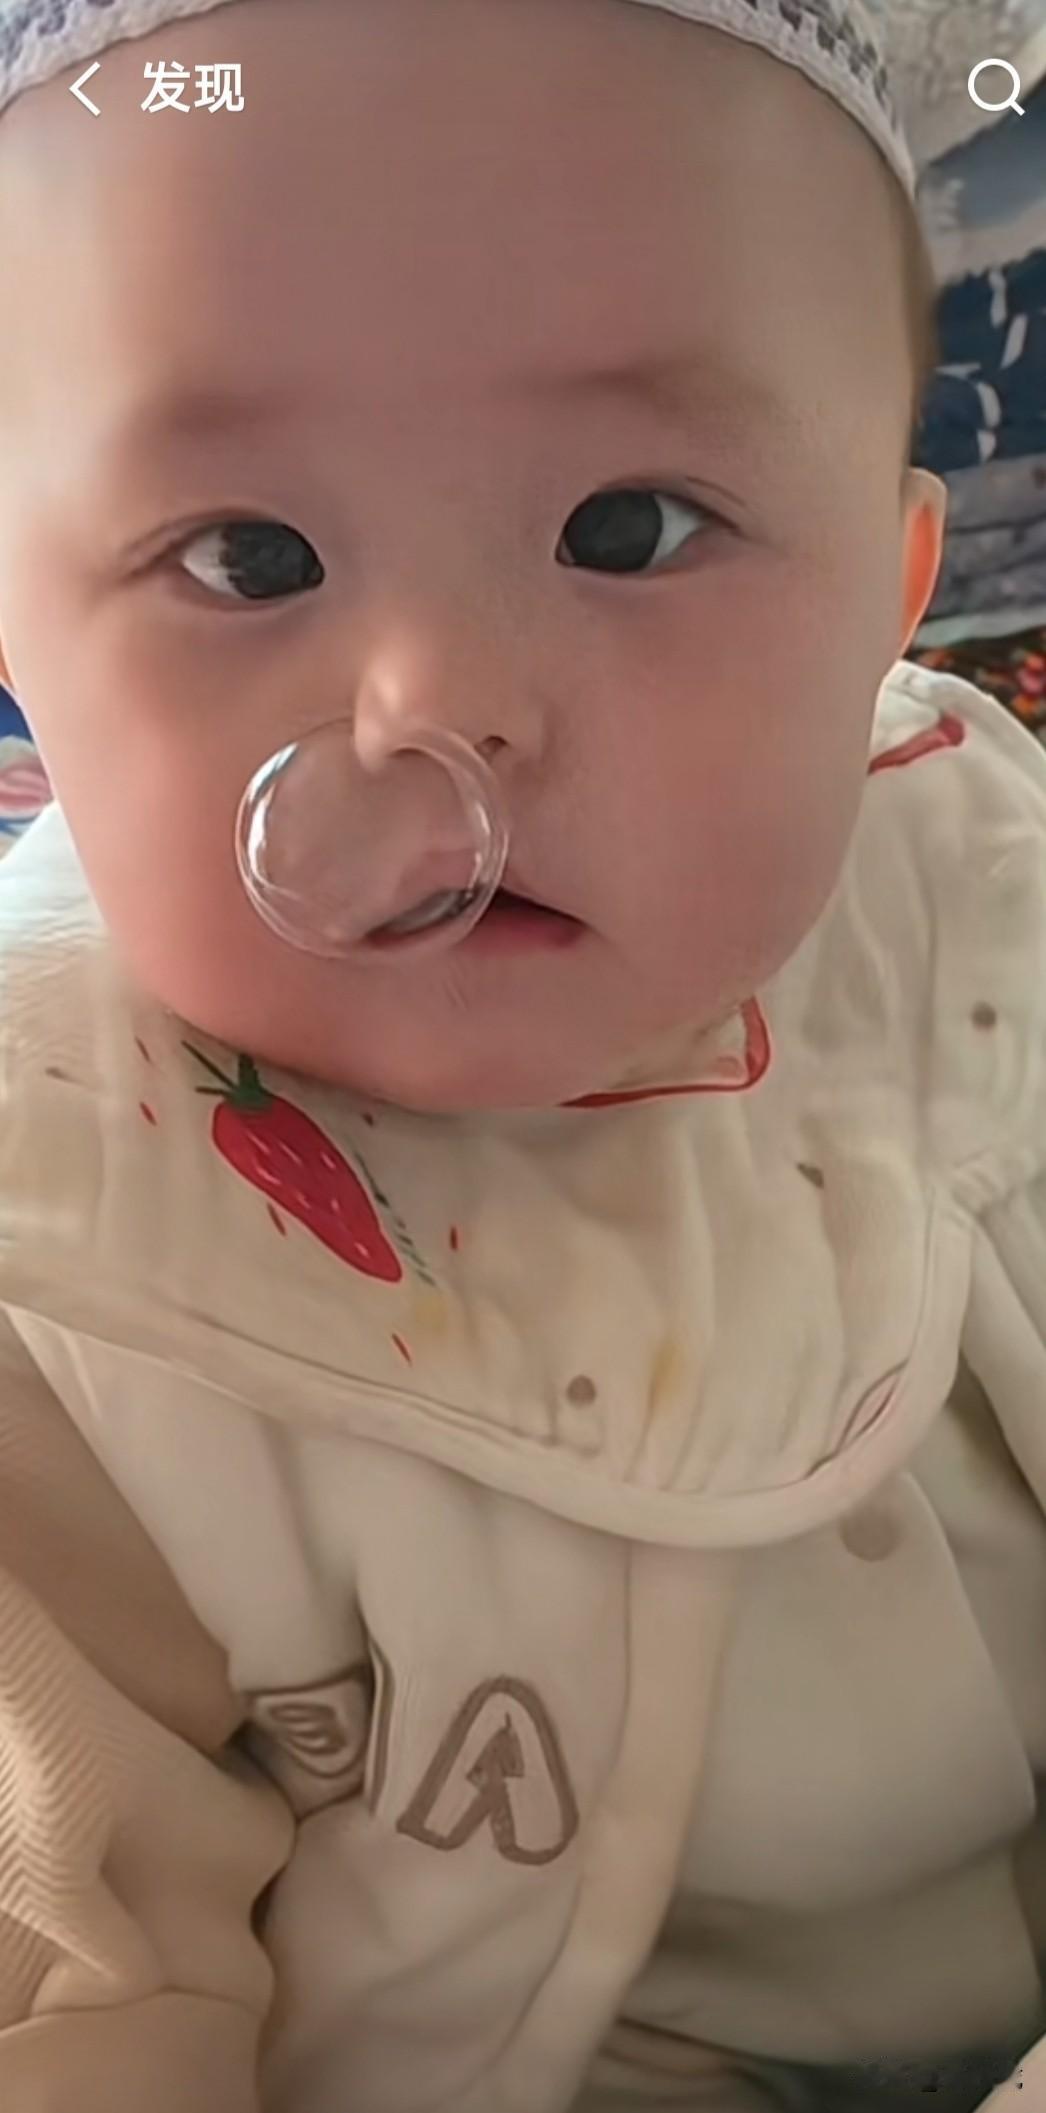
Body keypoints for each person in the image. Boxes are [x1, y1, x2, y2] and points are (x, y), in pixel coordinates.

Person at [0, 0, 1044, 2107]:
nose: (432, 706)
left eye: (630, 526)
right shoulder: (65, 1246)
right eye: (247, 556)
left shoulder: (979, 899)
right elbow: (80, 1976)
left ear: (890, 600)